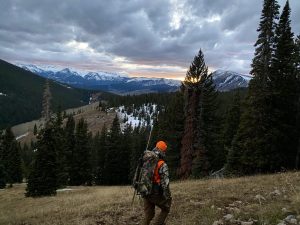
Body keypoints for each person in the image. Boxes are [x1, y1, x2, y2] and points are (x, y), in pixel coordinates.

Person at [142, 141, 172, 225]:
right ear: (163, 151)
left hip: (144, 190)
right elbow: (165, 184)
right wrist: (168, 196)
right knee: (166, 209)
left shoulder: (146, 158)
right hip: (155, 192)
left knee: (149, 215)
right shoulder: (162, 164)